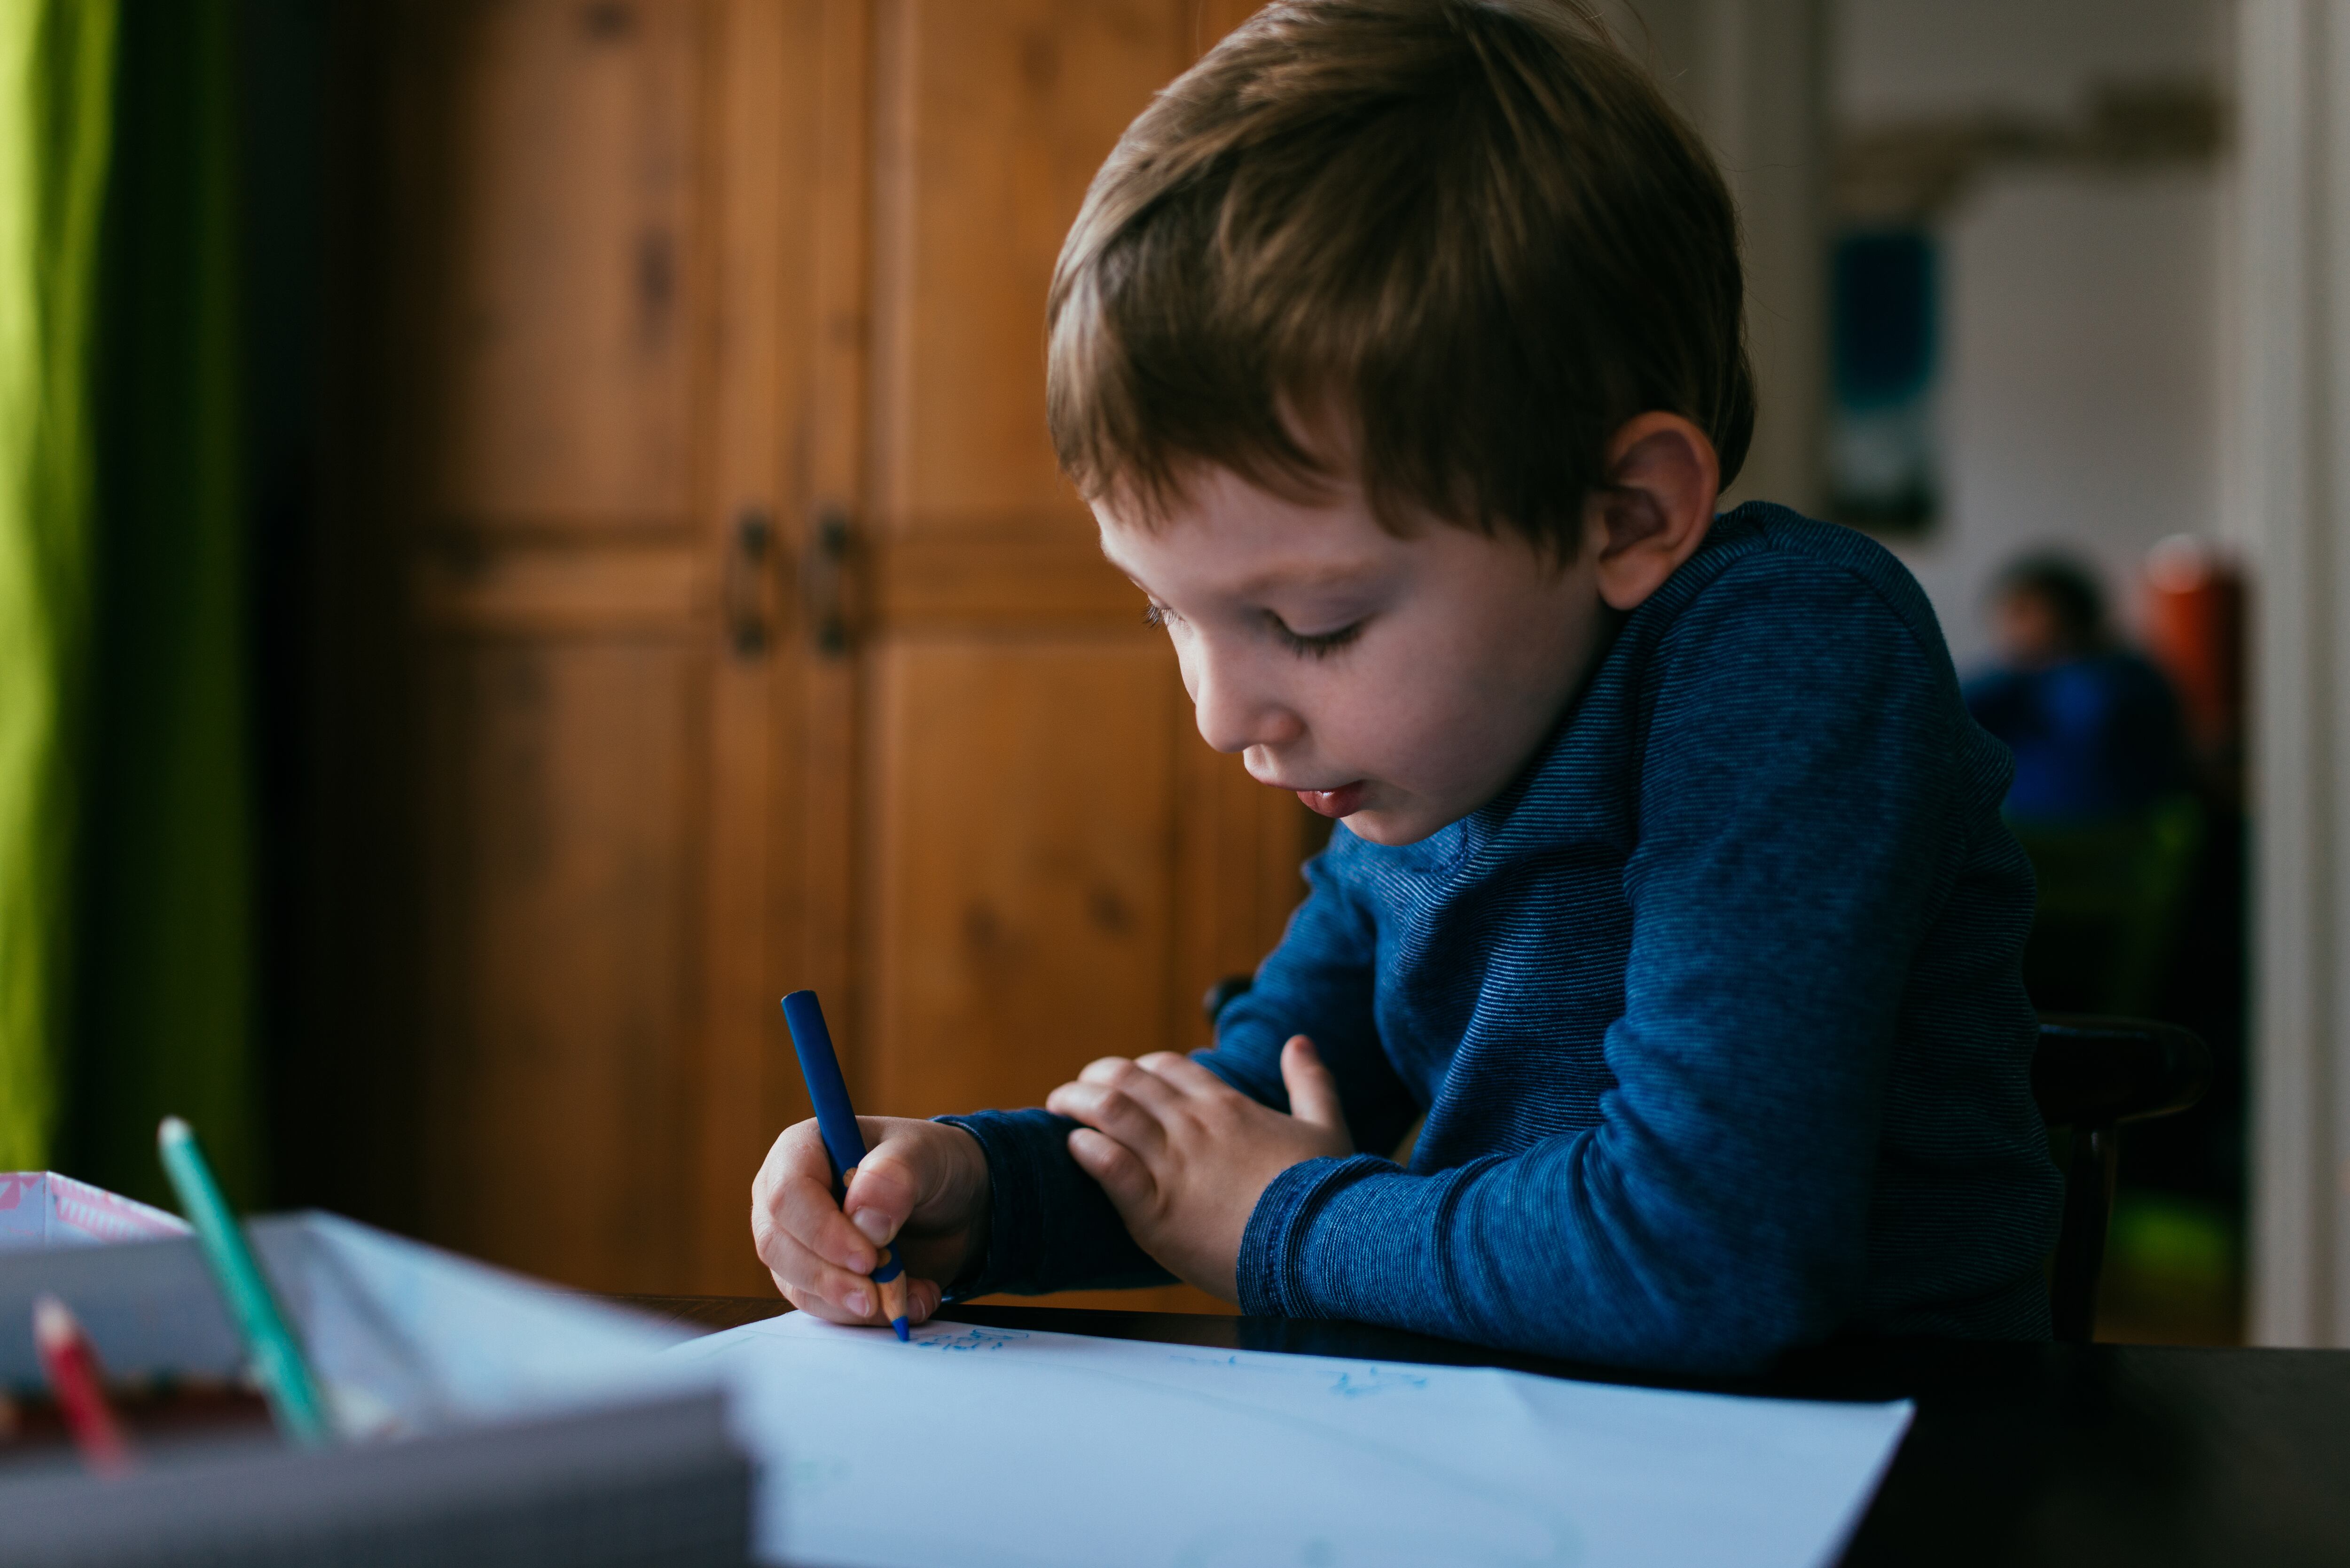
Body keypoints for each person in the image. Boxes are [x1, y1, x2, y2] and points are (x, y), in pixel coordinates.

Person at [751, 0, 2059, 1373]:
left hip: (1886, 1462)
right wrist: (971, 1188)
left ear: (1622, 517)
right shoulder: (1418, 756)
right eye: (1167, 610)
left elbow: (1703, 1248)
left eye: (1310, 621)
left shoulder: (1786, 655)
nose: (1222, 715)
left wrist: (1278, 1213)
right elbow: (1235, 1125)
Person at [1964, 553, 2187, 823]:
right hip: (2030, 833)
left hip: (2108, 838)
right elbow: (1953, 713)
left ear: (2068, 613)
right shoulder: (2016, 682)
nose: (2009, 628)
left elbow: (2094, 720)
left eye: (2022, 612)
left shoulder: (2122, 678)